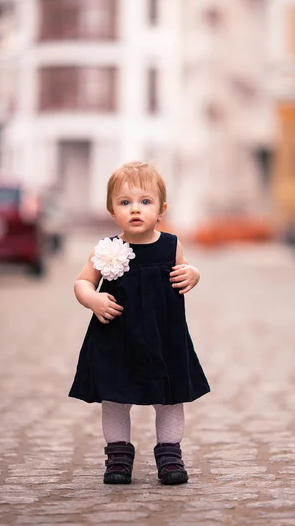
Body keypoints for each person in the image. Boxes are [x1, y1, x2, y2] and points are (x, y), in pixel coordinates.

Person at [69, 161, 210, 485]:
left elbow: (187, 269)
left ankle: (170, 454)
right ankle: (118, 457)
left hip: (164, 336)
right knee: (116, 397)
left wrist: (194, 273)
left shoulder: (171, 245)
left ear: (161, 209)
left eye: (145, 202)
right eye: (125, 202)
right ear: (111, 209)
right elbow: (82, 283)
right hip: (117, 336)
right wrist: (92, 298)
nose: (135, 209)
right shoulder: (105, 250)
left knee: (170, 396)